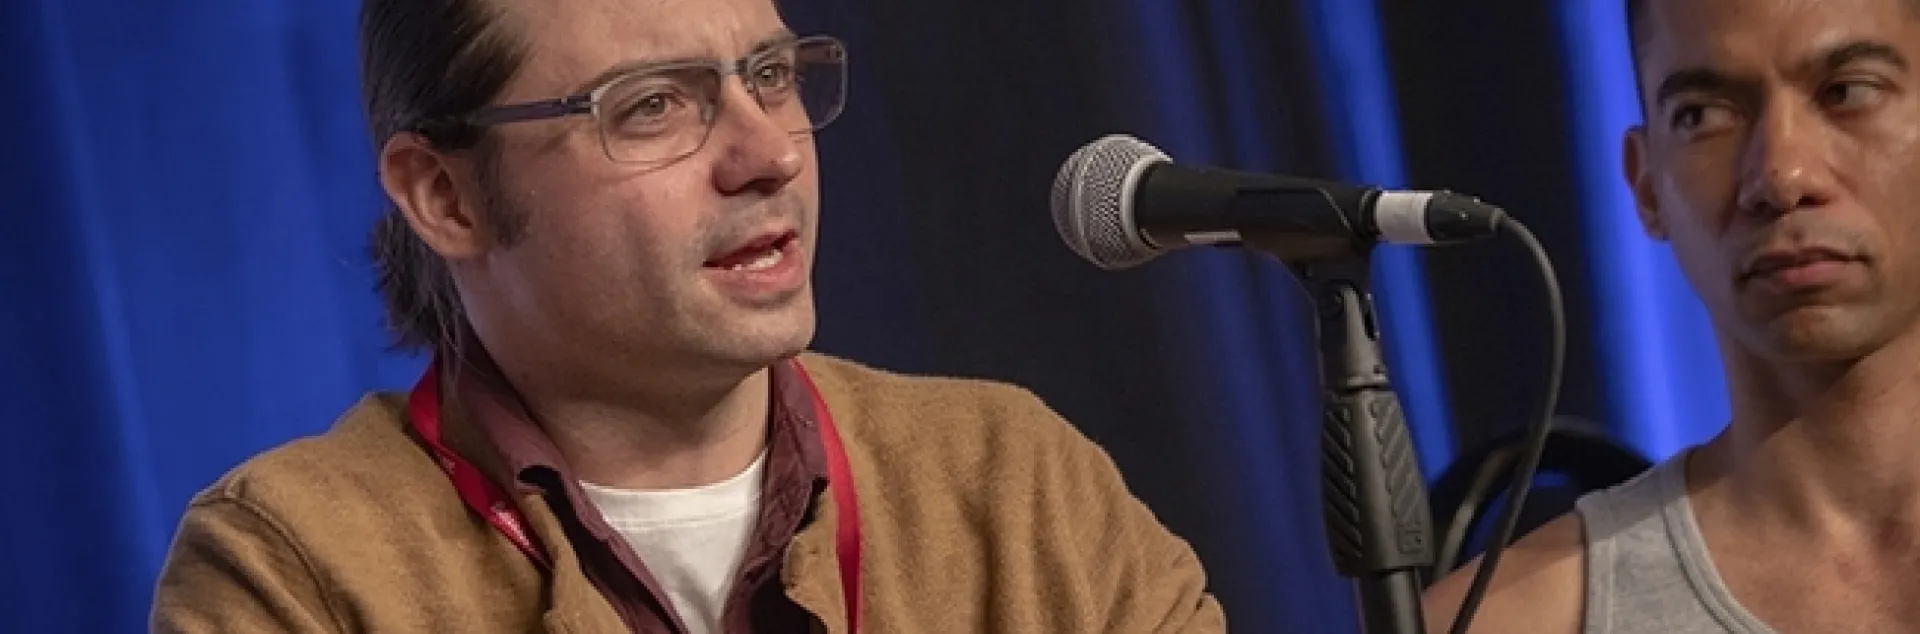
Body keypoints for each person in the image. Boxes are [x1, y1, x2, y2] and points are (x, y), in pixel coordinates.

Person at [147, 0, 1226, 631]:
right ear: (447, 196)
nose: (768, 155)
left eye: (771, 75)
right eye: (653, 105)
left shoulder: (1015, 480)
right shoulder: (297, 568)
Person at [1422, 0, 1920, 631]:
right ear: (1646, 185)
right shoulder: (1506, 620)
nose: (1781, 174)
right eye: (1703, 116)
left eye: (1847, 92)